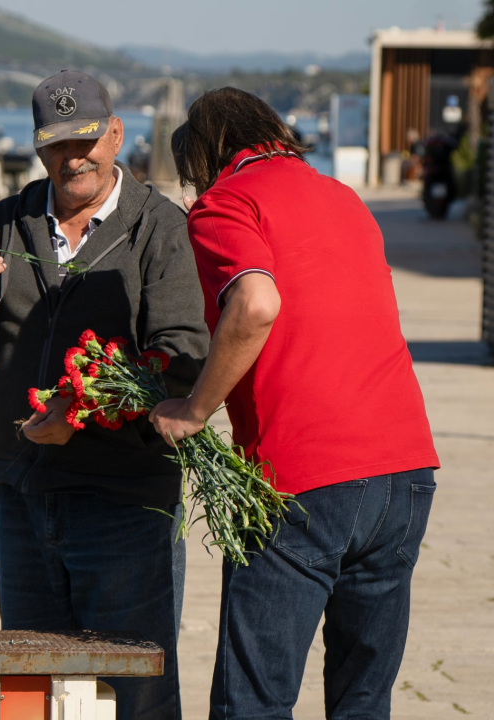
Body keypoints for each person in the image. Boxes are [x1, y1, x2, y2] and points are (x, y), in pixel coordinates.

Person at [151, 87, 440, 719]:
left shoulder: (226, 202)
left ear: (206, 154)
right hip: (405, 468)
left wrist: (194, 409)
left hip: (304, 478)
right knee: (364, 701)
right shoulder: (343, 197)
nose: (192, 189)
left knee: (252, 701)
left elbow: (255, 304)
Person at [0, 69, 209, 720]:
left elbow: (179, 360)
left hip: (124, 502)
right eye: (58, 144)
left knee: (133, 693)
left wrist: (78, 416)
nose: (74, 156)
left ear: (116, 135)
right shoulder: (6, 220)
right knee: (35, 694)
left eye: (87, 139)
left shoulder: (161, 228)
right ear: (38, 148)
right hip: (17, 494)